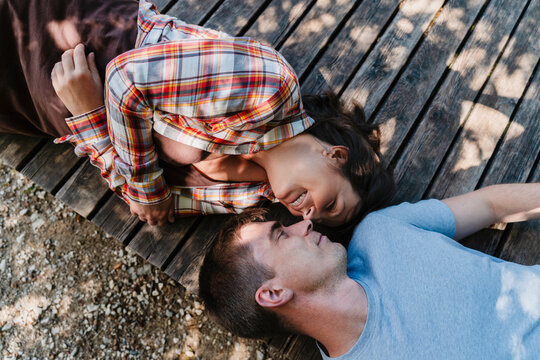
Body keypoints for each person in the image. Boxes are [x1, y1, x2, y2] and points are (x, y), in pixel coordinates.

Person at [1, 0, 394, 227]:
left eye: (317, 221)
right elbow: (126, 79)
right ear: (336, 155)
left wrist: (89, 115)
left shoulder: (247, 197)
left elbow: (139, 201)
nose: (309, 215)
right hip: (68, 30)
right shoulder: (270, 87)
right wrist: (149, 188)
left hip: (41, 110)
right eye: (330, 204)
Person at [199, 183, 540, 359]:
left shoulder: (380, 231)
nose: (303, 224)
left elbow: (487, 205)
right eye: (281, 235)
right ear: (273, 293)